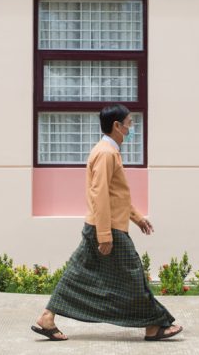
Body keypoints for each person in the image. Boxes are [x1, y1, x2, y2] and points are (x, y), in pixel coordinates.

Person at [32, 104, 183, 342]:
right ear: (117, 126)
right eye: (129, 123)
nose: (131, 127)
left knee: (77, 273)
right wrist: (104, 235)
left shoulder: (109, 151)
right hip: (107, 227)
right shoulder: (105, 153)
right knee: (133, 274)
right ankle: (154, 324)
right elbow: (99, 194)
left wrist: (137, 218)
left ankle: (47, 317)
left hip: (105, 225)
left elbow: (115, 195)